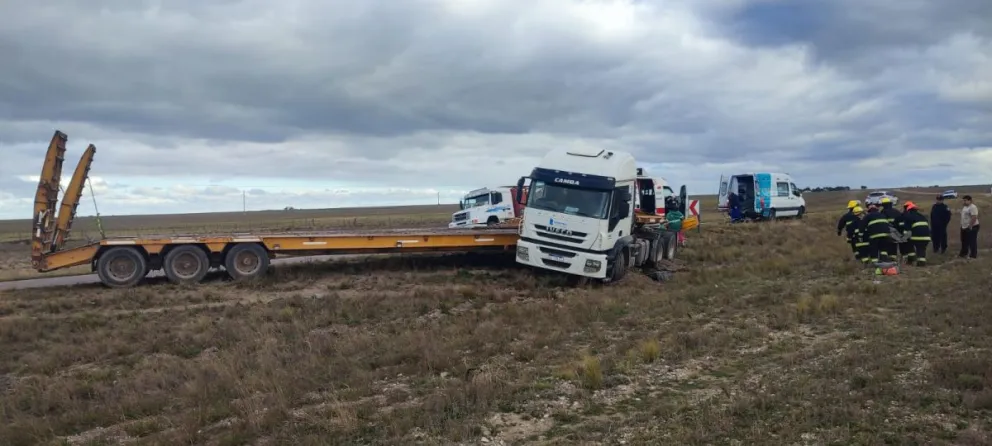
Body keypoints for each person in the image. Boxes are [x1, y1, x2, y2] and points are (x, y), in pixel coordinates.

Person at [901, 201, 931, 266]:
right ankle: (921, 262)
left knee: (909, 244)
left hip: (917, 237)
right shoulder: (922, 216)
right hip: (927, 237)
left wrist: (903, 238)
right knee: (921, 249)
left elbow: (907, 231)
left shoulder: (908, 217)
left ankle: (911, 260)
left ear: (909, 210)